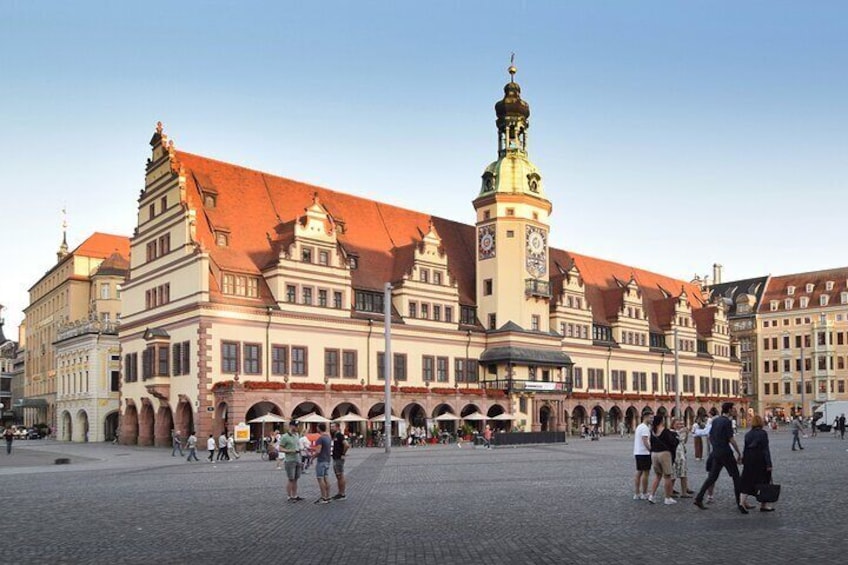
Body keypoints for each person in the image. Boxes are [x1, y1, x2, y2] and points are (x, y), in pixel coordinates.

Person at [693, 402, 748, 514]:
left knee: (712, 477)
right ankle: (740, 503)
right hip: (725, 452)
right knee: (736, 477)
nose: (734, 411)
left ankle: (699, 498)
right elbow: (731, 439)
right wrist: (739, 453)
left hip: (716, 452)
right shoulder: (727, 422)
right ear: (728, 410)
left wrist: (715, 447)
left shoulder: (716, 420)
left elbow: (711, 436)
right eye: (733, 409)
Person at [739, 415, 775, 512]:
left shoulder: (748, 434)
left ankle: (742, 502)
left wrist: (743, 459)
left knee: (747, 481)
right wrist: (769, 464)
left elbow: (745, 449)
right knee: (764, 481)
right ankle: (763, 505)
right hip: (760, 460)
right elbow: (765, 449)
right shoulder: (763, 433)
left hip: (749, 460)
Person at [647, 415, 679, 505]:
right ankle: (667, 497)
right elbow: (672, 442)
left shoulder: (652, 431)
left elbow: (651, 443)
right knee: (667, 476)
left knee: (657, 476)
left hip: (654, 454)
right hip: (664, 454)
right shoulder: (665, 431)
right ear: (661, 421)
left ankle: (651, 495)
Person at [279, 421, 303, 502]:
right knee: (291, 479)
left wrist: (300, 450)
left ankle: (295, 495)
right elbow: (280, 448)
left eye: (297, 426)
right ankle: (289, 496)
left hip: (297, 459)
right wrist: (290, 451)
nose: (297, 428)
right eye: (296, 426)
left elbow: (297, 446)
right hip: (290, 460)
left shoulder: (296, 435)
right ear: (291, 426)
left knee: (296, 479)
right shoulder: (285, 437)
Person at [670, 418, 693, 498]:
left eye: (681, 424)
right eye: (678, 424)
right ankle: (670, 491)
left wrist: (686, 434)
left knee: (683, 473)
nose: (680, 425)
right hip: (675, 454)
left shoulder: (682, 432)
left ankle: (684, 491)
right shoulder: (671, 432)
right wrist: (681, 432)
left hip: (682, 453)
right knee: (673, 473)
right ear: (673, 424)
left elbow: (684, 441)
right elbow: (676, 440)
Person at [632, 412, 652, 500]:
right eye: (651, 418)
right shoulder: (644, 428)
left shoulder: (639, 426)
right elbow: (645, 440)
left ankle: (637, 493)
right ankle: (644, 493)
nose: (652, 420)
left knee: (638, 472)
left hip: (638, 452)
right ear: (646, 417)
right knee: (646, 473)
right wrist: (651, 450)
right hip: (644, 453)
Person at [312, 423, 333, 504]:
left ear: (318, 428)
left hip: (321, 461)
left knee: (320, 479)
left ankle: (323, 497)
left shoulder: (320, 439)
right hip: (327, 460)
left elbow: (318, 451)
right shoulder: (328, 437)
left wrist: (313, 457)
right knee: (326, 478)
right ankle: (328, 496)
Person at [331, 427, 350, 500]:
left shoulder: (339, 435)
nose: (331, 428)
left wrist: (343, 454)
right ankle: (340, 492)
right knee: (338, 475)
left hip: (338, 458)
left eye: (333, 427)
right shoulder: (336, 436)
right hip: (336, 458)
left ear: (337, 427)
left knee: (340, 475)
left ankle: (342, 493)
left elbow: (347, 445)